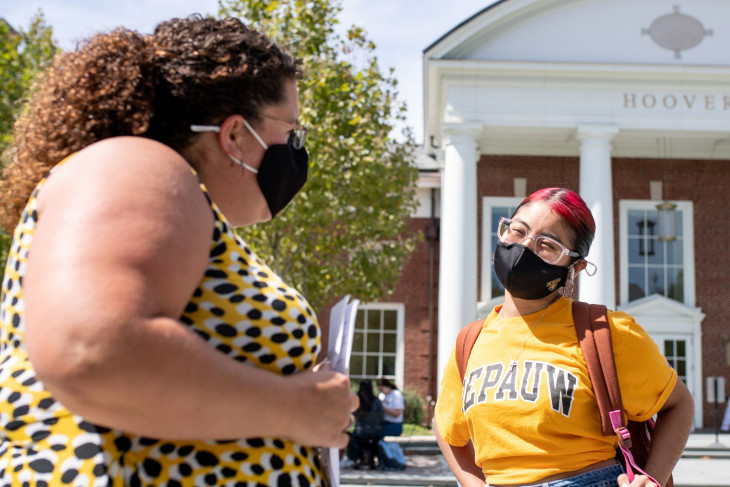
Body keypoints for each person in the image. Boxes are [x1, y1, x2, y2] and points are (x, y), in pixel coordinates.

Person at [0, 16, 358, 486]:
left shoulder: (185, 206)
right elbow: (91, 349)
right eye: (291, 131)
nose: (296, 149)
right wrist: (296, 408)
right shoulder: (138, 165)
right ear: (233, 135)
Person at [434, 188, 694, 487]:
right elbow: (446, 426)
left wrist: (654, 479)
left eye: (548, 245)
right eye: (517, 231)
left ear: (575, 268)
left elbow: (678, 403)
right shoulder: (471, 340)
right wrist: (473, 484)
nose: (525, 247)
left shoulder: (604, 331)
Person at [347, 380, 384, 469]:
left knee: (355, 439)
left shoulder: (357, 400)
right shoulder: (376, 400)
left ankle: (358, 459)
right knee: (373, 441)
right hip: (376, 431)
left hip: (361, 430)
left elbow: (351, 414)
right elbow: (382, 416)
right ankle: (371, 460)